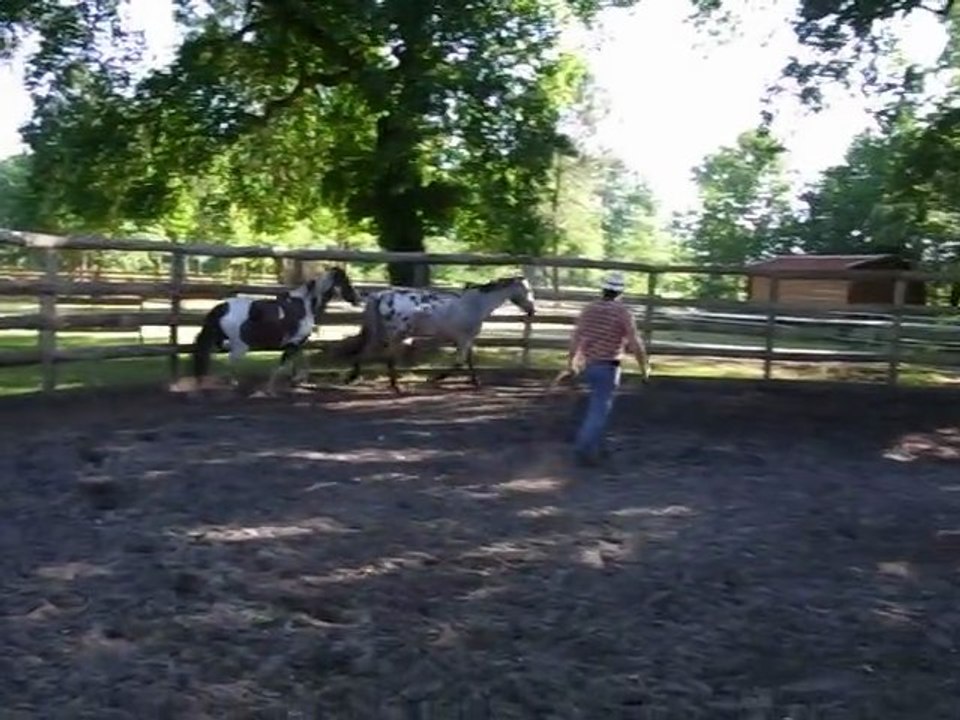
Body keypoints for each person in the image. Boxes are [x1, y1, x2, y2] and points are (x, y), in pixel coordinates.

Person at [566, 270, 649, 465]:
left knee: (596, 406)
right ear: (621, 292)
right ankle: (583, 448)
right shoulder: (622, 312)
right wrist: (644, 367)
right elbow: (634, 341)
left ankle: (596, 448)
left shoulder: (589, 309)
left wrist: (571, 363)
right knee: (599, 409)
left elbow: (576, 337)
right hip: (608, 366)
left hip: (589, 365)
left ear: (603, 289)